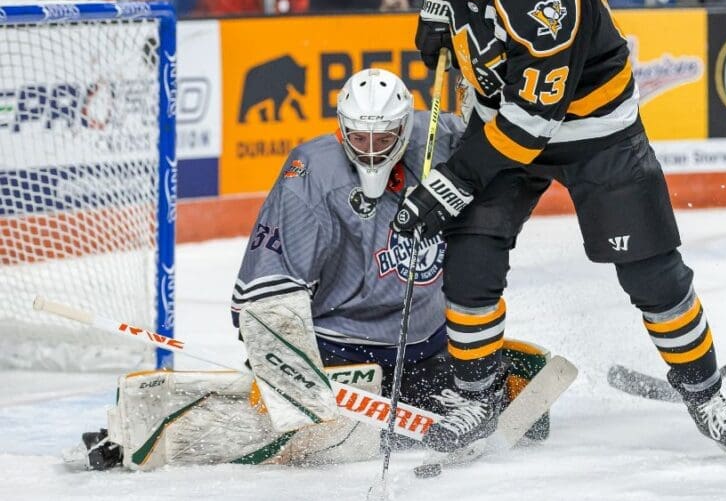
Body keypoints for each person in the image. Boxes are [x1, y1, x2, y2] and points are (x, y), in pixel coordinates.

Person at [399, 0, 726, 457]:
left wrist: (451, 184)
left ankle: (707, 396)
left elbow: (529, 126)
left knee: (651, 273)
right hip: (504, 120)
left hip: (594, 132)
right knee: (470, 255)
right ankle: (477, 396)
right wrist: (440, 4)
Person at [70, 69, 552, 470]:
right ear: (340, 128)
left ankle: (474, 375)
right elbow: (262, 296)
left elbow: (512, 136)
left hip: (424, 347)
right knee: (306, 439)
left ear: (405, 129)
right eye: (357, 137)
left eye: (382, 137)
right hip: (338, 354)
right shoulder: (312, 173)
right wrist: (294, 374)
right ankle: (150, 428)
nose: (369, 149)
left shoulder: (440, 144)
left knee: (504, 415)